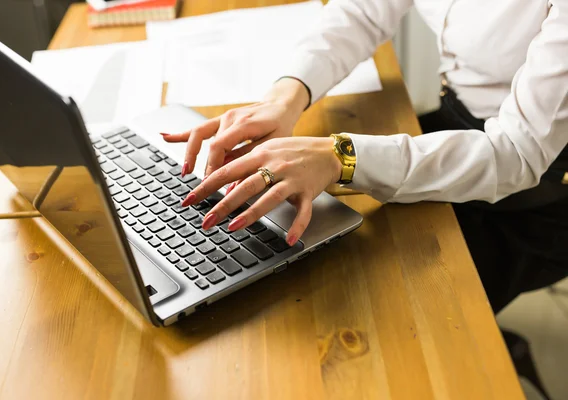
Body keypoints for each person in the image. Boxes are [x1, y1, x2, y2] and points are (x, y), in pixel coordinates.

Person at [162, 0, 568, 314]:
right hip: (460, 125)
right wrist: (286, 96)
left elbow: (517, 152)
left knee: (387, 309)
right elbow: (363, 10)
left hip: (537, 195)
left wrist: (340, 155)